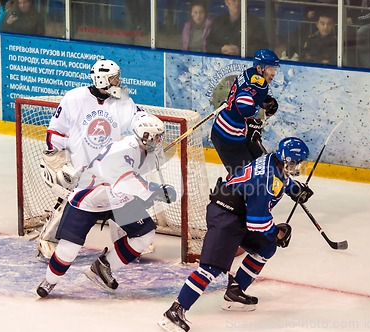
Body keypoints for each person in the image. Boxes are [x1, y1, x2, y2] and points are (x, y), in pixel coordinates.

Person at [158, 137, 314, 332]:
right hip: (225, 215)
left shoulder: (273, 162)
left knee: (266, 247)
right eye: (297, 162)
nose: (299, 166)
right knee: (211, 268)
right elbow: (257, 222)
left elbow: (283, 180)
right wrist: (277, 233)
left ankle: (235, 291)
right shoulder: (265, 179)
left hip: (238, 213)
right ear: (286, 159)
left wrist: (295, 189)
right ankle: (175, 311)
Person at [37, 114, 177, 297]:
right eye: (157, 136)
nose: (160, 140)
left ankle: (103, 267)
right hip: (89, 198)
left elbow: (133, 176)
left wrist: (154, 187)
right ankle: (49, 281)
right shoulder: (126, 149)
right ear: (145, 136)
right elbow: (125, 180)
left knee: (144, 234)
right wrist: (155, 190)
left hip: (116, 199)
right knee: (68, 249)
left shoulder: (140, 149)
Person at [36, 57, 148, 261]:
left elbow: (138, 118)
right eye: (114, 79)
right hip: (80, 166)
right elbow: (56, 130)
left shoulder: (123, 100)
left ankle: (131, 239)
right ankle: (49, 241)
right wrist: (57, 160)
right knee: (71, 202)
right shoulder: (74, 98)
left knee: (121, 196)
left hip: (110, 165)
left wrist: (146, 126)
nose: (118, 82)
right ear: (102, 80)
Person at [210, 49, 280, 176]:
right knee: (245, 177)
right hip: (227, 137)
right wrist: (252, 120)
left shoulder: (249, 73)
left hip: (238, 134)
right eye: (271, 69)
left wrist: (262, 102)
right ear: (260, 68)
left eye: (275, 69)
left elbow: (246, 94)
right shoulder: (259, 84)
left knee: (261, 165)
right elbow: (243, 102)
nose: (274, 73)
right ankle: (226, 193)